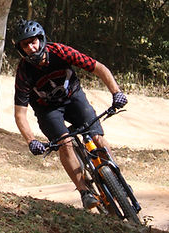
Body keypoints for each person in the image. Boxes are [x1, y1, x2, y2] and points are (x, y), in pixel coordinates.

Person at [13, 19, 128, 209]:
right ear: (21, 49)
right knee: (65, 143)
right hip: (47, 110)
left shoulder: (60, 51)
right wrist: (30, 140)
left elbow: (99, 68)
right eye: (26, 45)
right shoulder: (24, 72)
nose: (31, 48)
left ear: (41, 39)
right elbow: (20, 113)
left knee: (97, 137)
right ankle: (84, 192)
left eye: (33, 41)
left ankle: (117, 180)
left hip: (74, 98)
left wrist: (117, 93)